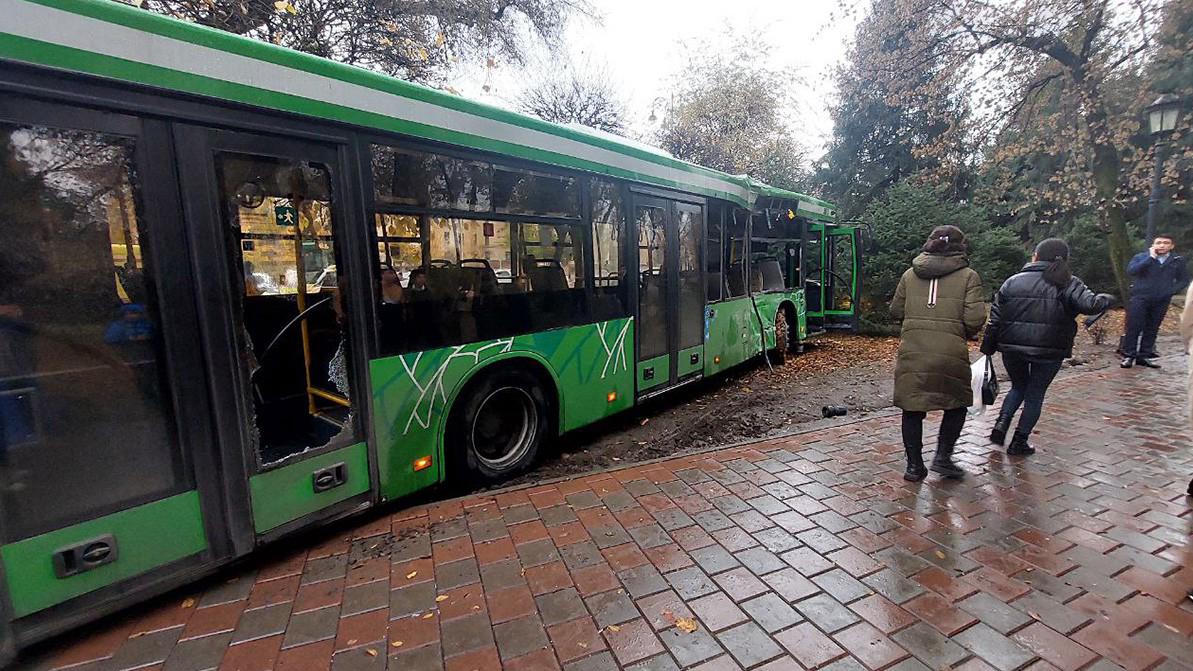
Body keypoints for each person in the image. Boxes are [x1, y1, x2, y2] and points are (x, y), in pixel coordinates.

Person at [981, 239, 1113, 455]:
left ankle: (1000, 425)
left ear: (1036, 256)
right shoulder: (1069, 283)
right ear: (1064, 259)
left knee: (1017, 387)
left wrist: (988, 346)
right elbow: (1091, 305)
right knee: (1035, 393)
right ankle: (1019, 441)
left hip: (1012, 347)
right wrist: (1106, 299)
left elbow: (995, 317)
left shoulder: (1012, 281)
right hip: (1050, 349)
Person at [890, 225, 987, 481]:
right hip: (950, 352)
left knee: (911, 408)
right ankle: (943, 458)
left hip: (913, 350)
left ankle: (914, 466)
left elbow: (896, 310)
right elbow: (975, 318)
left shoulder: (910, 275)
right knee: (956, 405)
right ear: (960, 246)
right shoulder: (969, 276)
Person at [1122, 234, 1190, 369]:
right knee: (1134, 326)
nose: (1162, 245)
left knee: (1152, 327)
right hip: (1140, 297)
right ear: (1153, 245)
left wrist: (1170, 291)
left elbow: (1184, 280)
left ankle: (1144, 356)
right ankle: (1129, 355)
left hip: (1161, 299)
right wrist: (1150, 258)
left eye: (1166, 243)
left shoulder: (1177, 260)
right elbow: (1131, 271)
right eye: (1159, 243)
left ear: (1172, 246)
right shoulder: (1141, 257)